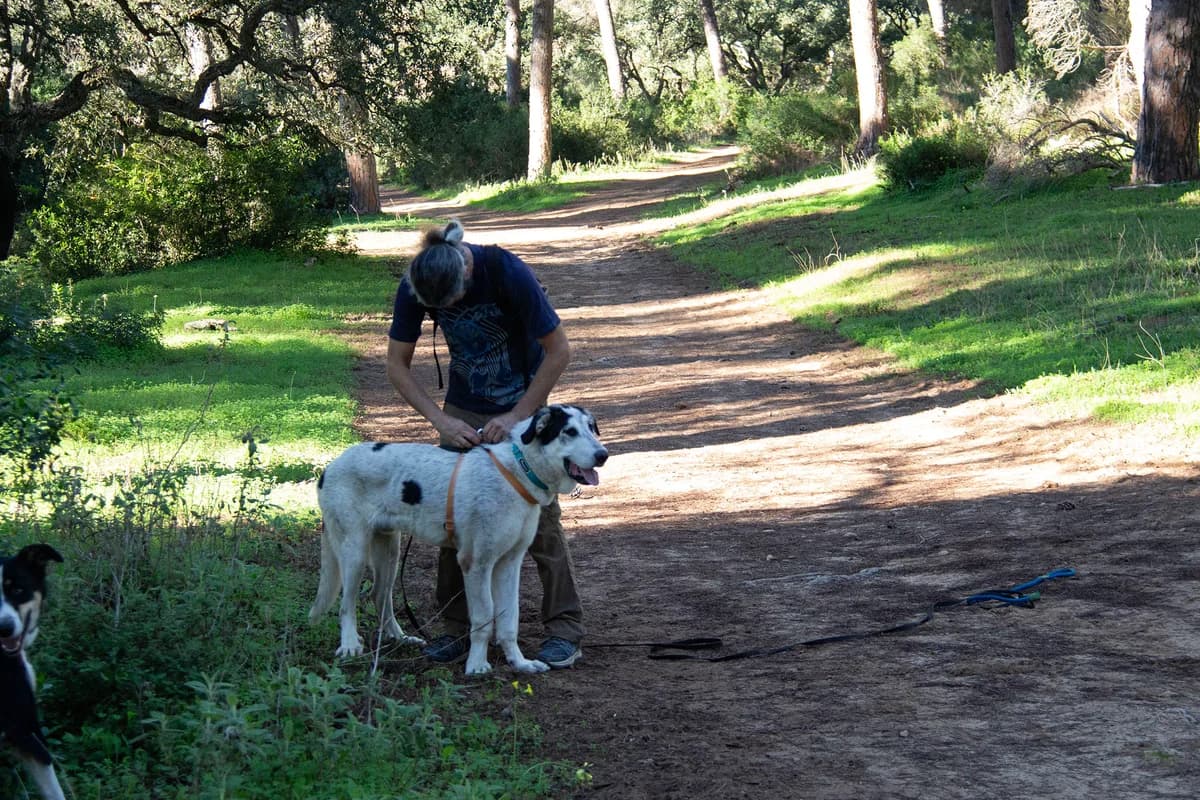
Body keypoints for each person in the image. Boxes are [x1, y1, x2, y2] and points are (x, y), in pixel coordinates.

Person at [385, 219, 585, 669]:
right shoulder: (416, 282)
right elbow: (397, 366)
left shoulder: (505, 270)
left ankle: (564, 629)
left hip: (524, 404)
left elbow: (559, 351)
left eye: (452, 302)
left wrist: (519, 416)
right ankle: (457, 628)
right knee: (454, 514)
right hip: (462, 407)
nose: (447, 310)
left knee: (540, 518)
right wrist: (440, 418)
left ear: (467, 275)